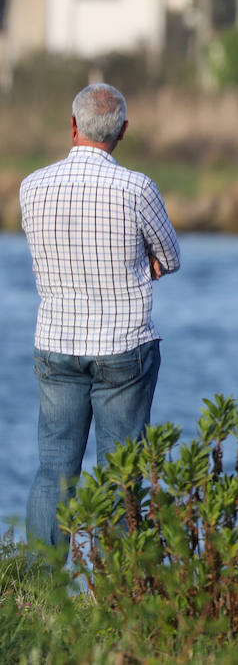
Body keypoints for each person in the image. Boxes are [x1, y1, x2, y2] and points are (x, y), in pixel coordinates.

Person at [19, 83, 181, 554]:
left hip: (56, 343)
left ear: (73, 127)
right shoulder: (137, 188)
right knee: (122, 475)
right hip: (122, 347)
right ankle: (119, 588)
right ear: (123, 131)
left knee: (54, 471)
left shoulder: (32, 186)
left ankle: (41, 586)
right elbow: (170, 257)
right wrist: (143, 262)